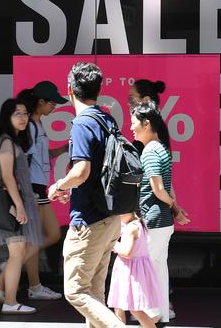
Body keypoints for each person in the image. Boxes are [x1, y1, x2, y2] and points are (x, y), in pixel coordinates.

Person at [47, 62, 125, 327]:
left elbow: (81, 171)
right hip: (110, 218)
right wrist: (74, 185)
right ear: (98, 90)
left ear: (69, 89)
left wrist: (59, 186)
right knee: (94, 293)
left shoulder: (82, 124)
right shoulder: (106, 119)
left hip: (89, 221)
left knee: (76, 291)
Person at [130, 101, 190, 325]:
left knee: (147, 269)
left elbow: (158, 189)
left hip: (152, 218)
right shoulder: (162, 147)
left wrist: (174, 205)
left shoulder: (150, 151)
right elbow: (167, 187)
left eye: (134, 122)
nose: (131, 127)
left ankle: (151, 315)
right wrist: (175, 208)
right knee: (158, 267)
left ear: (147, 124)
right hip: (163, 219)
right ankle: (161, 313)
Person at [0, 98, 43, 315]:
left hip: (18, 202)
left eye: (25, 113)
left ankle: (4, 291)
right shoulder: (7, 141)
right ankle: (9, 300)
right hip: (12, 205)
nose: (23, 118)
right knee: (18, 252)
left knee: (21, 251)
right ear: (7, 117)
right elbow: (7, 177)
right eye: (17, 113)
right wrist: (19, 206)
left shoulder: (13, 141)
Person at [16, 81, 69, 300]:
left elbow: (40, 157)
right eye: (52, 102)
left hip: (38, 187)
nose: (54, 106)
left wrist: (64, 148)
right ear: (40, 102)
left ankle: (27, 279)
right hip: (33, 188)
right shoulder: (29, 126)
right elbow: (22, 159)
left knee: (46, 236)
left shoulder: (36, 125)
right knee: (38, 238)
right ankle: (30, 283)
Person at [108, 211, 163, 327]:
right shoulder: (140, 223)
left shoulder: (131, 228)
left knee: (134, 309)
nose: (117, 217)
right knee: (119, 305)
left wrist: (111, 243)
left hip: (130, 271)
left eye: (119, 213)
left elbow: (126, 253)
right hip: (132, 269)